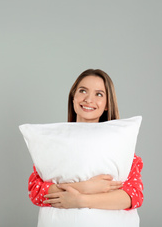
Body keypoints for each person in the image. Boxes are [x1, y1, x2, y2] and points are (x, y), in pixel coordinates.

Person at [28, 69, 143, 210]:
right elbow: (36, 191)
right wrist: (87, 187)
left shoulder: (119, 145)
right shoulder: (54, 142)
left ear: (107, 104)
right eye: (82, 91)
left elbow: (133, 195)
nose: (89, 99)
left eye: (99, 94)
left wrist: (81, 201)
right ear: (73, 97)